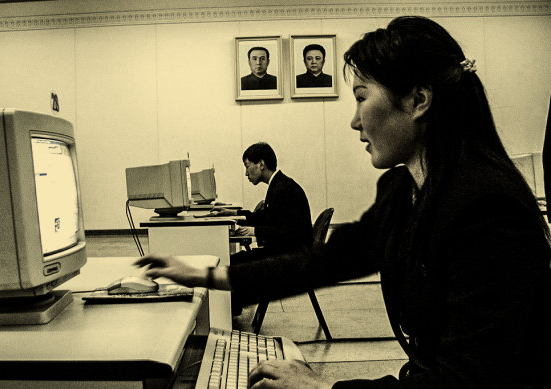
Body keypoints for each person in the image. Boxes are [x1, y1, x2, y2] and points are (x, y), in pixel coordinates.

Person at [136, 16, 551, 389]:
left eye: (360, 96)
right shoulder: (401, 189)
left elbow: (465, 381)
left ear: (418, 101)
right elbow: (323, 261)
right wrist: (206, 274)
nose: (355, 120)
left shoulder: (489, 210)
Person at [214, 142, 313, 315]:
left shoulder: (283, 190)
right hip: (288, 251)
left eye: (247, 166)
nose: (246, 173)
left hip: (289, 256)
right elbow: (266, 217)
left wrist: (255, 231)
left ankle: (227, 313)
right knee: (233, 261)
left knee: (231, 264)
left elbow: (288, 232)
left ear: (261, 164)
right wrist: (234, 213)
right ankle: (231, 310)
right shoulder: (279, 185)